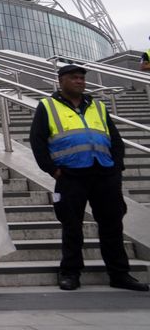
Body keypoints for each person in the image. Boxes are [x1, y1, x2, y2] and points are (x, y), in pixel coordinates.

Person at [29, 64, 148, 292]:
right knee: (72, 225)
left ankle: (119, 274)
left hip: (104, 173)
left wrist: (117, 166)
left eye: (82, 78)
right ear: (61, 80)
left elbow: (114, 138)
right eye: (74, 78)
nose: (80, 82)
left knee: (112, 224)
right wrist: (52, 170)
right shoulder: (48, 106)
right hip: (71, 175)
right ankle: (70, 272)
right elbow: (38, 140)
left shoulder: (98, 106)